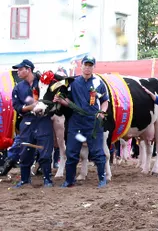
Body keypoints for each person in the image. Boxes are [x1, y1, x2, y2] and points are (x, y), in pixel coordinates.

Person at [55, 55, 110, 188]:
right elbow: (69, 102)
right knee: (72, 152)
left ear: (93, 67)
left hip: (92, 124)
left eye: (90, 65)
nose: (87, 67)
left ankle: (102, 179)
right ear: (81, 66)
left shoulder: (99, 83)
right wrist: (61, 100)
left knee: (97, 151)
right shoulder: (73, 83)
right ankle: (69, 180)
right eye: (86, 64)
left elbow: (105, 101)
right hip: (76, 125)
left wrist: (102, 112)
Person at [11, 59, 55, 188]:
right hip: (27, 121)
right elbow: (17, 107)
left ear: (28, 69)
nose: (18, 72)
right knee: (25, 150)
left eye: (20, 69)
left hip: (43, 120)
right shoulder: (18, 88)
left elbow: (53, 96)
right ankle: (25, 180)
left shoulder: (44, 83)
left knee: (45, 151)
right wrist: (30, 107)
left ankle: (48, 180)